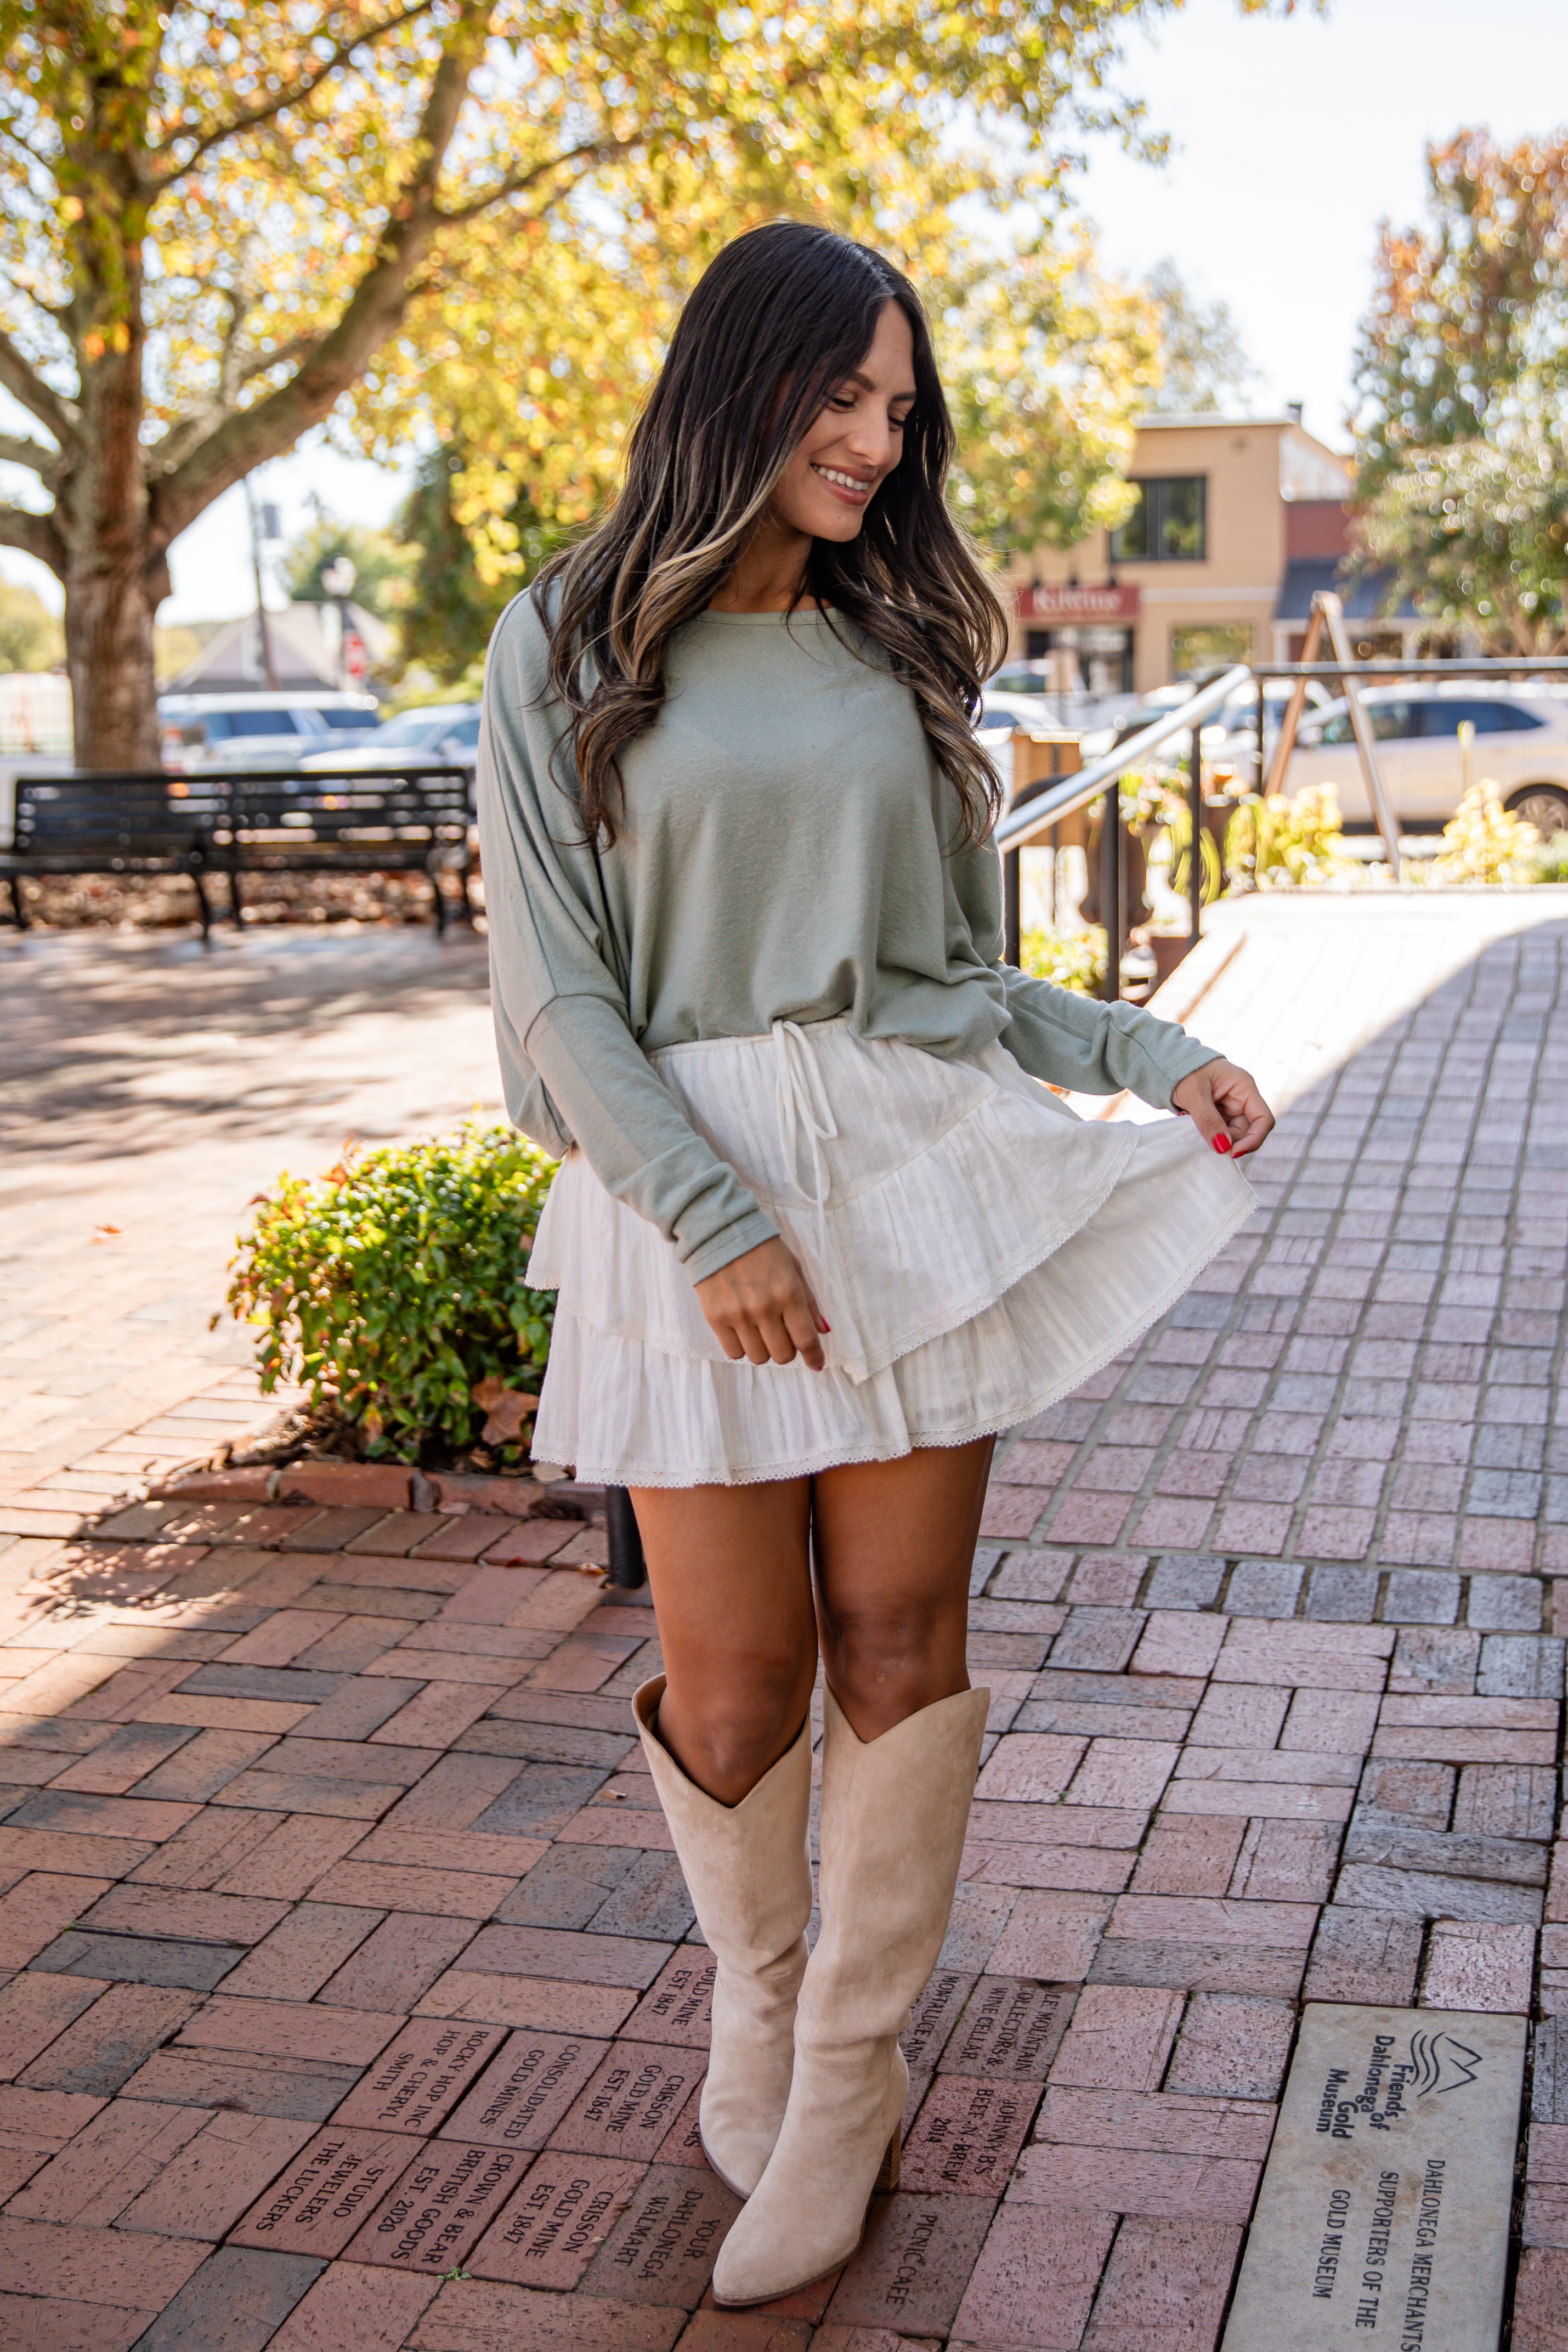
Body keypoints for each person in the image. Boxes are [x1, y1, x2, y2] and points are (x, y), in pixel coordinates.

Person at [477, 218, 1273, 2309]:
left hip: (901, 1170)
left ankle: (844, 2081)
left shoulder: (892, 650)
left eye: (897, 412)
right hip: (688, 1201)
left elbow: (954, 983)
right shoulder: (562, 635)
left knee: (898, 1638)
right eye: (839, 397)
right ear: (737, 384)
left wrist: (1153, 1050)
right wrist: (716, 1218)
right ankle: (755, 2009)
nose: (870, 441)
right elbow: (557, 1003)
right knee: (733, 1675)